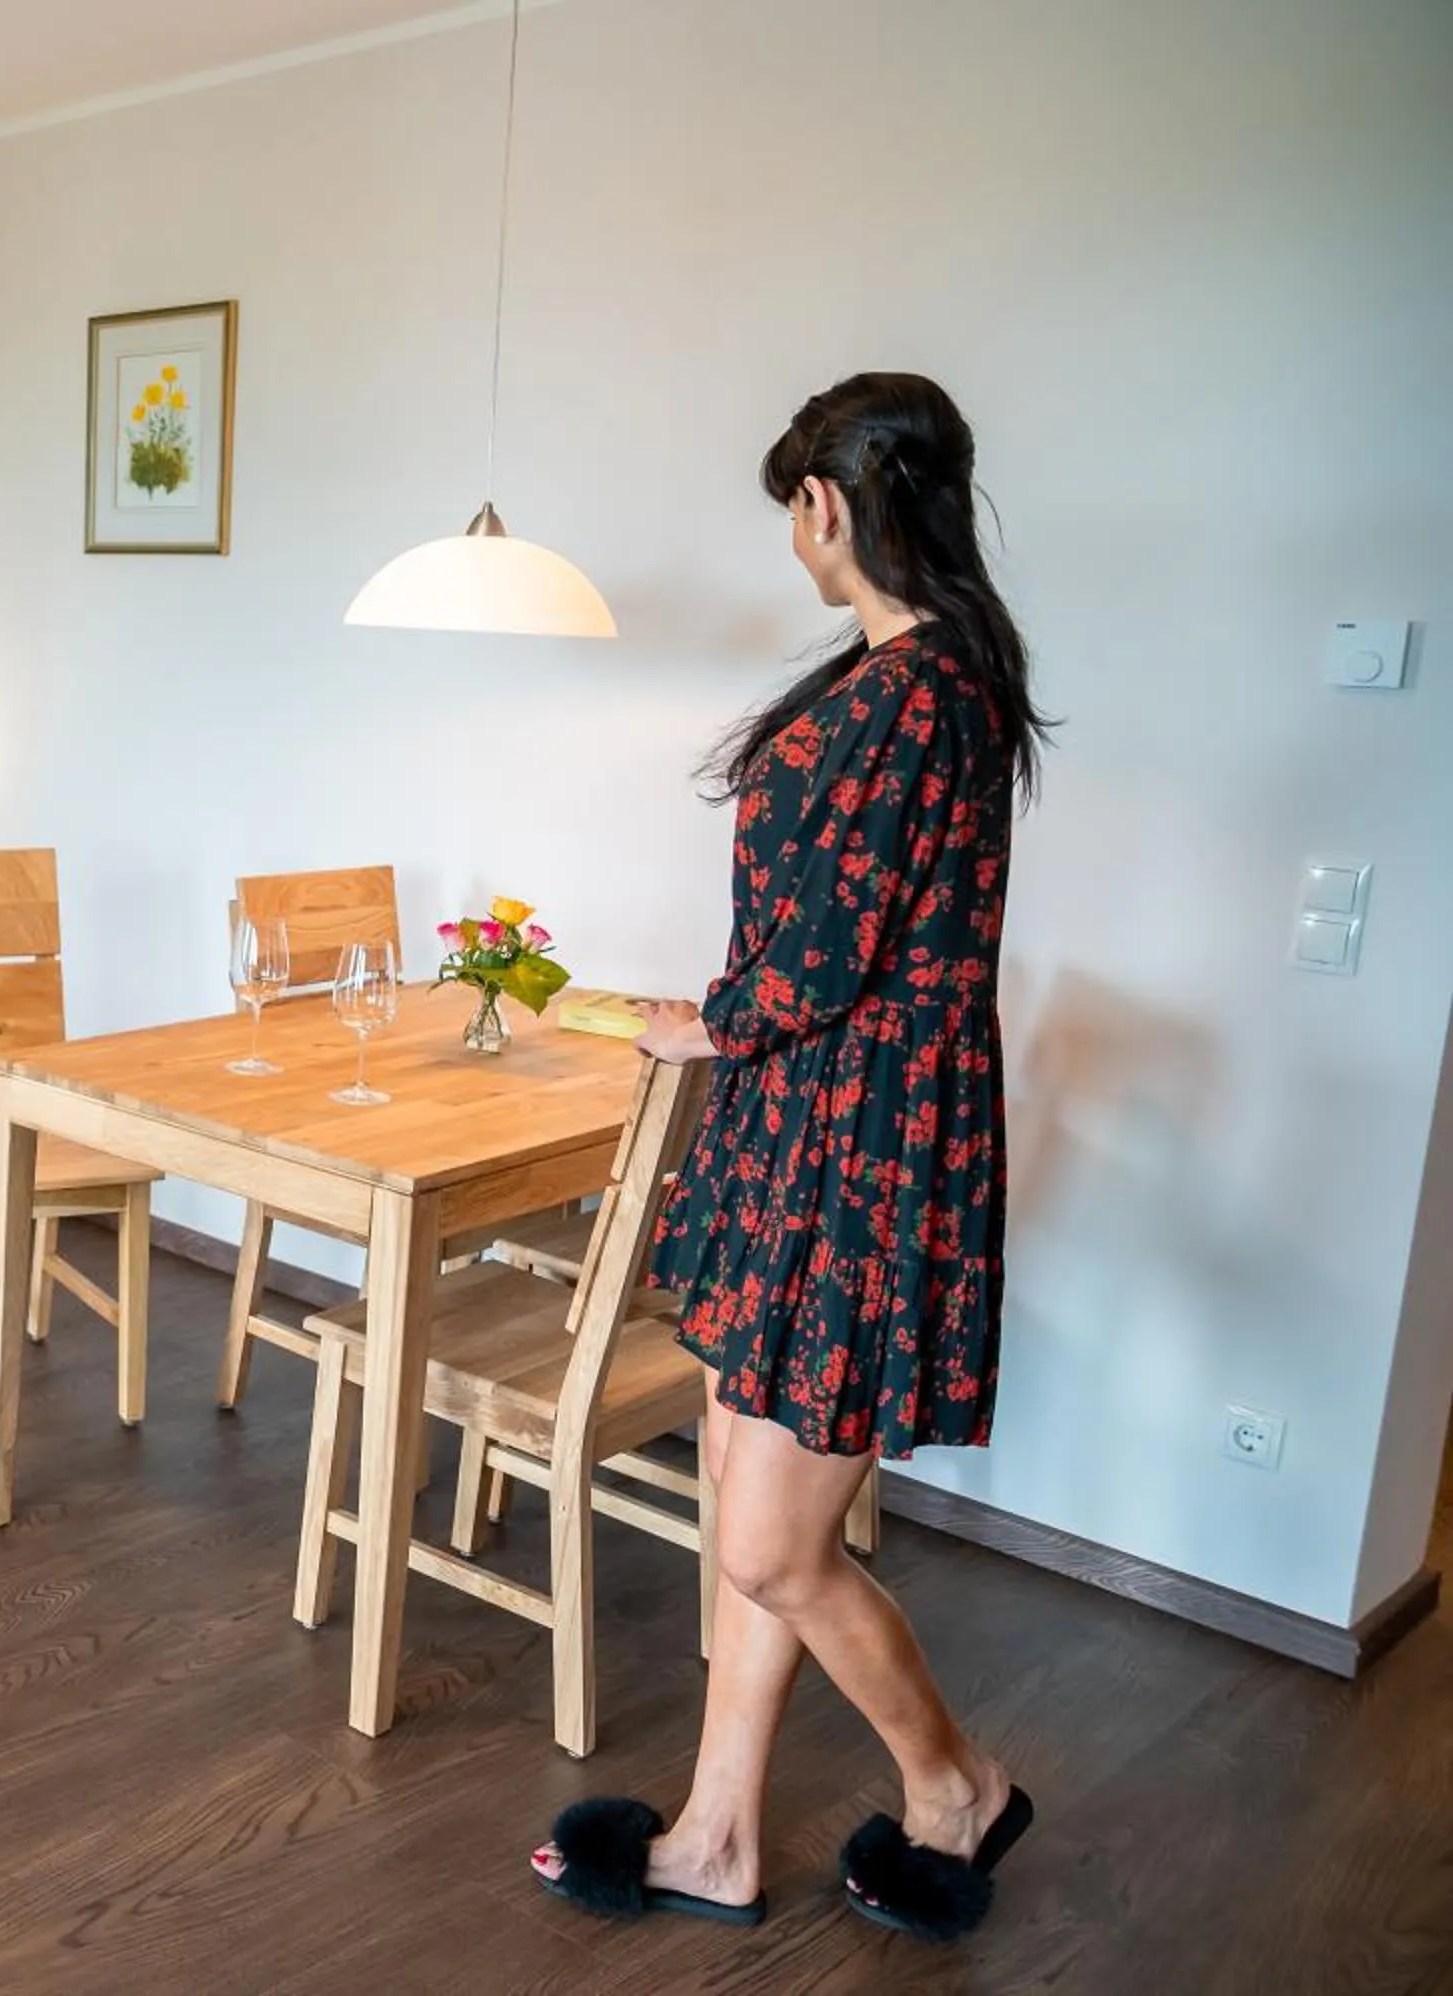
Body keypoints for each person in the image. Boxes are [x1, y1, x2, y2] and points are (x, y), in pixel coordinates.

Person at [528, 372, 1049, 1942]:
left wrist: (705, 1021)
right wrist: (739, 1020)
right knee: (752, 1499)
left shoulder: (914, 691)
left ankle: (956, 1785)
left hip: (862, 1141)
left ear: (827, 506)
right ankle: (715, 1834)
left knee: (766, 1538)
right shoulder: (920, 670)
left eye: (795, 514)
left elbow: (816, 968)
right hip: (819, 1131)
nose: (796, 542)